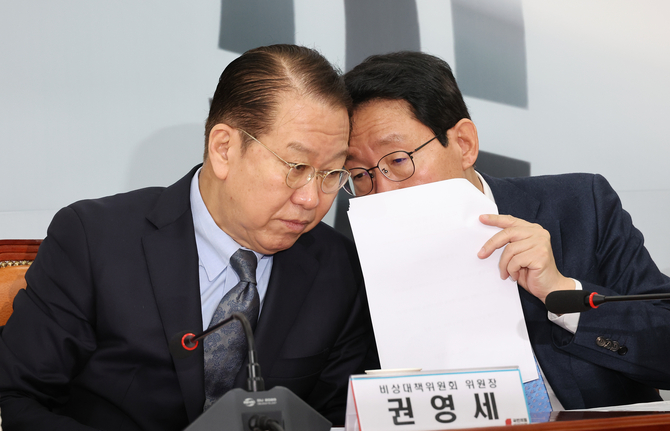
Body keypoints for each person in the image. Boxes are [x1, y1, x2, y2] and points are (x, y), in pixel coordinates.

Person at [0, 44, 377, 430]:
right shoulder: (93, 239)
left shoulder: (339, 268)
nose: (312, 199)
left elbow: (339, 418)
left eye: (332, 174)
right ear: (224, 149)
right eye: (296, 167)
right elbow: (16, 399)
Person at [343, 51, 670, 410]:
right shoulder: (355, 264)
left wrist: (561, 291)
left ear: (464, 144)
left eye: (397, 160)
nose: (382, 190)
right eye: (359, 175)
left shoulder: (580, 206)